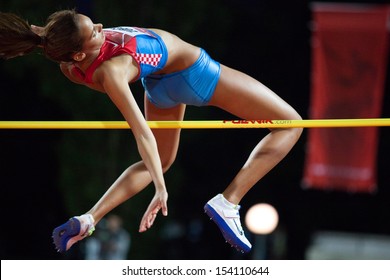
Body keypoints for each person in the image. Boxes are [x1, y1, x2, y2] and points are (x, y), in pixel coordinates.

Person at [0, 10, 302, 254]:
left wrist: (159, 174)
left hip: (158, 87)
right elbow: (142, 134)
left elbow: (37, 33)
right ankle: (229, 200)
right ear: (79, 55)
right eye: (94, 32)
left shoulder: (59, 49)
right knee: (291, 123)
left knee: (161, 160)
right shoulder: (113, 72)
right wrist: (160, 187)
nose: (101, 26)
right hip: (194, 72)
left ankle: (89, 218)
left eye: (93, 24)